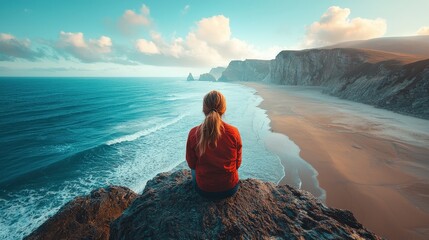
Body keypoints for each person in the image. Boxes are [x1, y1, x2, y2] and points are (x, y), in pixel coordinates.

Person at [186, 90, 242, 199]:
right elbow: (237, 164)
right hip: (230, 189)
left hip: (204, 190)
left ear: (203, 109)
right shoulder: (234, 132)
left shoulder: (194, 133)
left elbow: (191, 164)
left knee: (193, 170)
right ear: (224, 109)